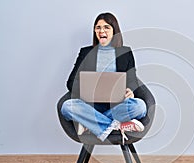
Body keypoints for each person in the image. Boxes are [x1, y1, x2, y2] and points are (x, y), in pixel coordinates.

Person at [61, 12, 147, 142]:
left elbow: (132, 81)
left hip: (117, 106)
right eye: (98, 27)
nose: (102, 31)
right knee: (67, 107)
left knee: (140, 106)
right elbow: (71, 82)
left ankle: (91, 124)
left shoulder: (125, 52)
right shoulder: (86, 52)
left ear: (114, 31)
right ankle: (116, 126)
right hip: (90, 107)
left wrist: (130, 91)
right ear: (95, 31)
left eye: (106, 27)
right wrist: (85, 91)